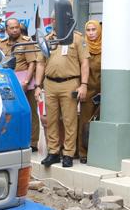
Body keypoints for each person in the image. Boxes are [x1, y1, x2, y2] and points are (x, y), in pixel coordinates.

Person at [36, 26, 90, 169]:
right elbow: (40, 63)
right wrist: (37, 85)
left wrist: (84, 84)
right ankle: (53, 152)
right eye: (54, 19)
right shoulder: (47, 39)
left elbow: (85, 62)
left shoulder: (77, 38)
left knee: (69, 120)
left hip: (70, 83)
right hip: (50, 83)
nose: (57, 22)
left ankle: (68, 154)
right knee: (51, 119)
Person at [0, 18, 40, 153]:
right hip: (7, 84)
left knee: (30, 112)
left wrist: (26, 82)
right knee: (9, 112)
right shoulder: (2, 44)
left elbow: (32, 64)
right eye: (12, 28)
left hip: (24, 83)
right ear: (6, 29)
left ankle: (33, 142)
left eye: (17, 27)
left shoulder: (26, 42)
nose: (15, 30)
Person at [78, 20, 103, 163]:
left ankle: (98, 150)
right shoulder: (82, 46)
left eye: (94, 29)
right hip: (87, 89)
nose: (91, 33)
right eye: (88, 30)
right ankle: (83, 152)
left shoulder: (106, 46)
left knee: (99, 122)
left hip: (102, 89)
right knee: (85, 121)